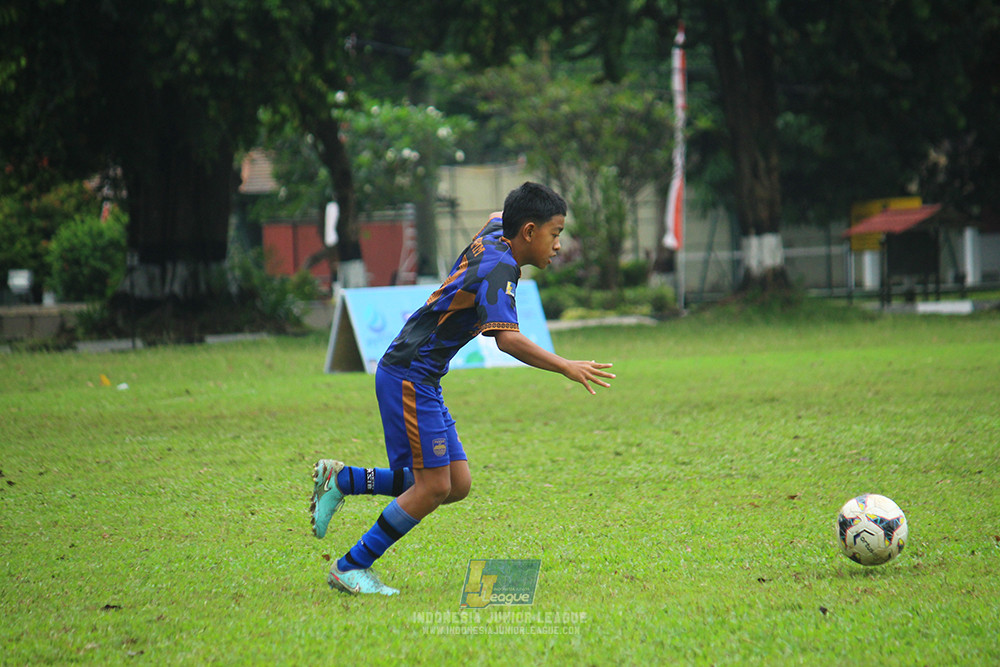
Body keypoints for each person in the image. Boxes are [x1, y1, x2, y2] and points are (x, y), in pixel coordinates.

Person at [311, 181, 615, 596]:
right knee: (432, 486)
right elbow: (506, 338)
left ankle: (343, 480)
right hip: (409, 374)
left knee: (455, 484)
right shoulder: (501, 269)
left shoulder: (497, 231)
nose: (558, 244)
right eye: (555, 233)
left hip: (422, 373)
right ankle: (351, 566)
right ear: (528, 231)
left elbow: (497, 215)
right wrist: (566, 366)